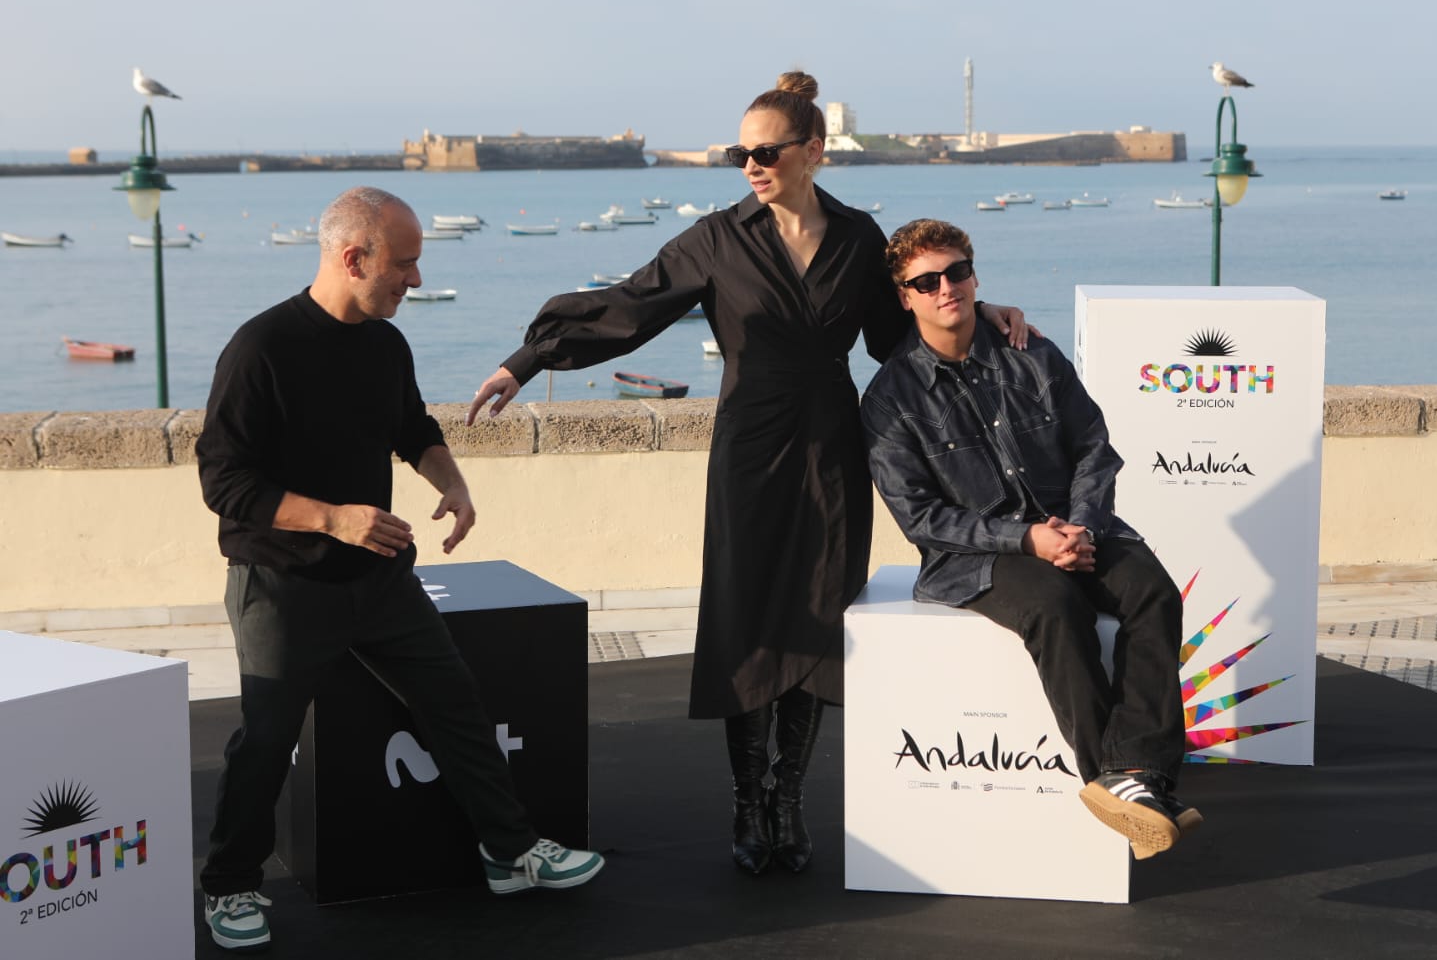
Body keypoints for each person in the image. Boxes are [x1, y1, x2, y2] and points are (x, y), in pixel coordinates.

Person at [467, 72, 1030, 876]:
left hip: (833, 443)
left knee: (817, 614)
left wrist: (983, 310)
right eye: (739, 153)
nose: (749, 166)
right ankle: (745, 800)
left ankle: (788, 798)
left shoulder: (858, 238)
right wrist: (524, 362)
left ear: (812, 152)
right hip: (749, 449)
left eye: (764, 152)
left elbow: (895, 336)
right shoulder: (717, 239)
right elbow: (630, 307)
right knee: (748, 617)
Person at [195, 187, 602, 951]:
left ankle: (510, 853)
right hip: (282, 584)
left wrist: (449, 479)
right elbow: (224, 484)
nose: (414, 280)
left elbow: (411, 427)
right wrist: (333, 517)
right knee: (265, 737)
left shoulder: (385, 344)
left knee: (456, 706)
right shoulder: (261, 349)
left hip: (379, 579)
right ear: (354, 259)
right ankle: (229, 885)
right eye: (404, 265)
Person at [859, 218, 1201, 861]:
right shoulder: (888, 400)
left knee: (1153, 592)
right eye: (926, 281)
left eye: (956, 271)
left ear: (974, 274)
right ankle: (1116, 776)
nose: (946, 289)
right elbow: (920, 517)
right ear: (905, 296)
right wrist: (1028, 541)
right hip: (980, 557)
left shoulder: (1032, 353)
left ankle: (1139, 778)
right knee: (1054, 603)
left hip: (1077, 524)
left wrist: (1080, 526)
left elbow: (1095, 448)